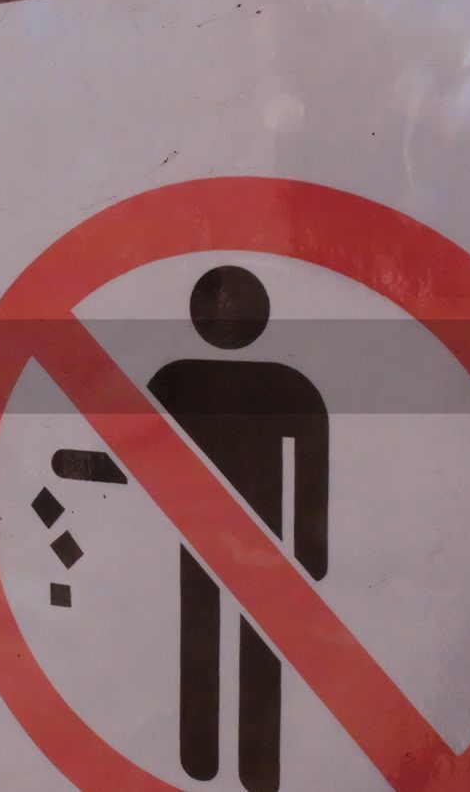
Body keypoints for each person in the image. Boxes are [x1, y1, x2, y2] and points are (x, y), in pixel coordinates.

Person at [149, 266, 328, 792]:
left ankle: (214, 758)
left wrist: (310, 549)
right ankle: (228, 760)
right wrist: (310, 551)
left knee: (212, 637)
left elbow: (312, 465)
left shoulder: (178, 377)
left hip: (226, 539)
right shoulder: (287, 384)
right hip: (240, 542)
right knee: (224, 641)